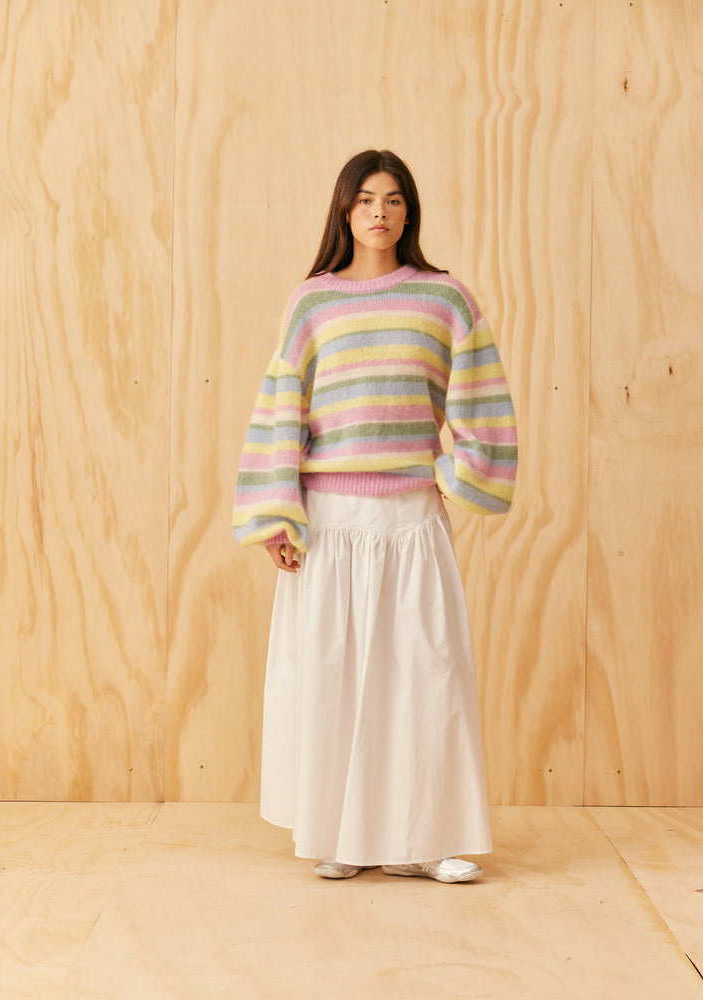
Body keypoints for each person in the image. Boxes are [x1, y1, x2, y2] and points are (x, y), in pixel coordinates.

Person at [232, 149, 517, 883]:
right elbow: (281, 409)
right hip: (328, 520)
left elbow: (483, 396)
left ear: (408, 211)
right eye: (365, 199)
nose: (379, 212)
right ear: (345, 210)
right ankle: (342, 836)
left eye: (392, 199)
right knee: (333, 677)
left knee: (425, 673)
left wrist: (451, 473)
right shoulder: (312, 303)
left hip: (409, 519)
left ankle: (425, 842)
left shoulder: (445, 299)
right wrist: (278, 515)